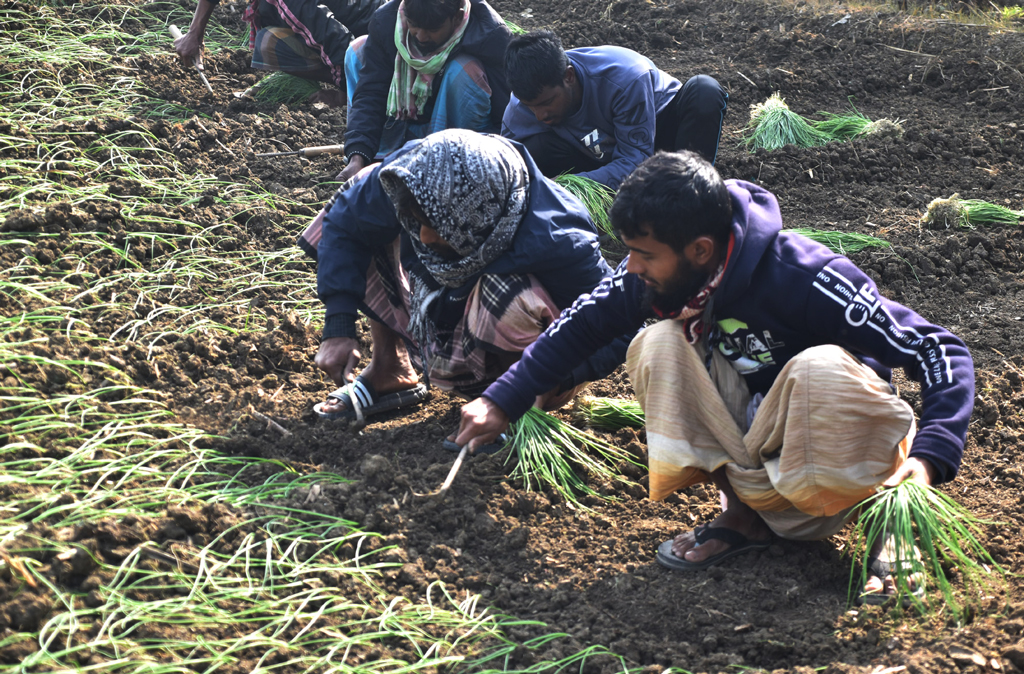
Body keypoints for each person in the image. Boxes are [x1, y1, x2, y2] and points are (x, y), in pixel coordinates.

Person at [453, 151, 974, 602]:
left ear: (699, 250)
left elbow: (938, 348)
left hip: (840, 450)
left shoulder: (804, 275)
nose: (630, 266)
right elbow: (581, 324)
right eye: (629, 250)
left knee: (817, 368)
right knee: (658, 343)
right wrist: (503, 401)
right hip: (766, 445)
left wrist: (929, 460)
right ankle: (744, 515)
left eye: (644, 253)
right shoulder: (657, 276)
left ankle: (889, 523)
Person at [312, 129, 621, 426]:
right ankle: (390, 367)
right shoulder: (418, 171)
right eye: (418, 223)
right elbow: (344, 222)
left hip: (531, 370)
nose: (424, 236)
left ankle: (519, 410)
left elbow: (618, 325)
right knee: (363, 187)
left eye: (435, 225)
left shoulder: (558, 238)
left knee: (508, 294)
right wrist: (338, 325)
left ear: (472, 214)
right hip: (446, 322)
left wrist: (543, 379)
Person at [501, 30, 728, 191]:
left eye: (546, 103)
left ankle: (687, 191)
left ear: (568, 77)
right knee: (529, 150)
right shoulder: (521, 106)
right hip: (597, 152)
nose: (541, 116)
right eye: (531, 108)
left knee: (704, 90)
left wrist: (564, 186)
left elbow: (636, 160)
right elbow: (501, 164)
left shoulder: (624, 77)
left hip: (657, 138)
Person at [338, 0, 512, 182]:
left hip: (455, 131)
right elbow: (371, 93)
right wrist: (357, 155)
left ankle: (448, 163)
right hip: (403, 122)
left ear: (457, 17)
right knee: (359, 49)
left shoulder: (490, 34)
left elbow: (504, 115)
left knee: (463, 70)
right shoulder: (386, 20)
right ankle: (382, 154)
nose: (421, 37)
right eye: (413, 25)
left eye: (432, 29)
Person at [174, 0, 383, 107]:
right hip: (350, 26)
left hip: (378, 44)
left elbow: (335, 38)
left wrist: (346, 95)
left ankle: (361, 86)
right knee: (268, 40)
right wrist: (195, 32)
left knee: (272, 43)